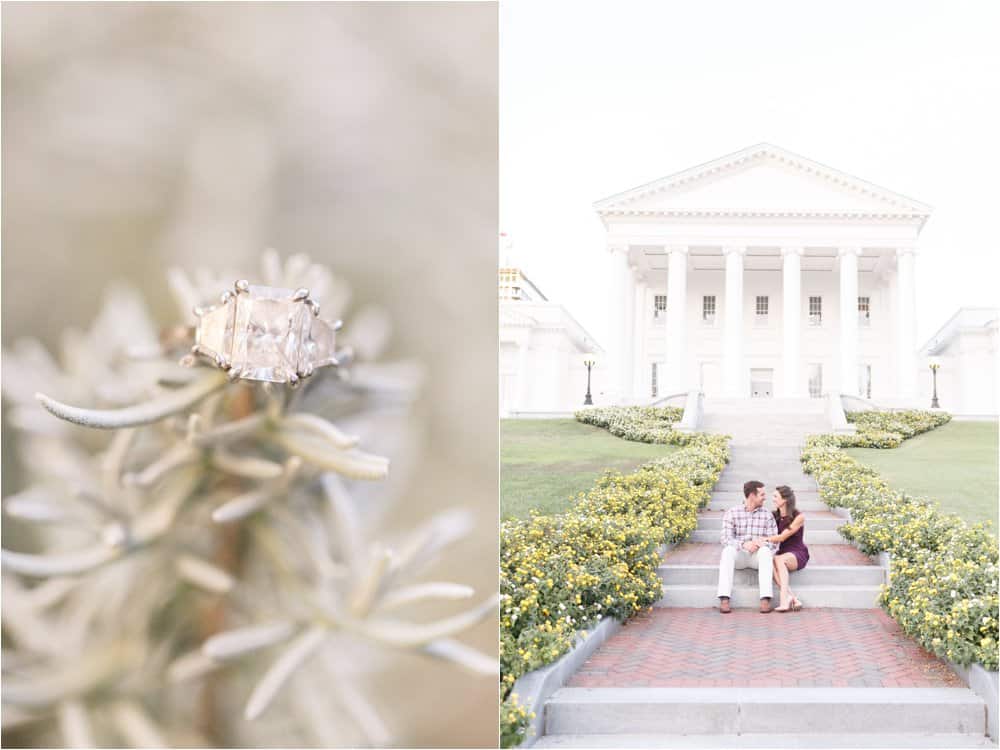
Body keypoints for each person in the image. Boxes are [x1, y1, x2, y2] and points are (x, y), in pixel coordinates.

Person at [716, 480, 779, 614]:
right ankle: (724, 598)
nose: (765, 497)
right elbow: (725, 538)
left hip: (757, 557)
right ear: (751, 495)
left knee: (766, 551)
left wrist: (759, 543)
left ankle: (765, 599)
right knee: (727, 551)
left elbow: (774, 542)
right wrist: (743, 544)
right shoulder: (732, 513)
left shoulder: (767, 515)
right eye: (762, 494)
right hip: (740, 555)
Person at [759, 484, 810, 613]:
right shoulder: (774, 516)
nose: (773, 499)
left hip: (797, 553)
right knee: (770, 560)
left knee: (779, 559)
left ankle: (783, 601)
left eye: (776, 496)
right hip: (780, 553)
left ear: (785, 499)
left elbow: (782, 537)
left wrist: (765, 539)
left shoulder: (799, 517)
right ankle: (791, 597)